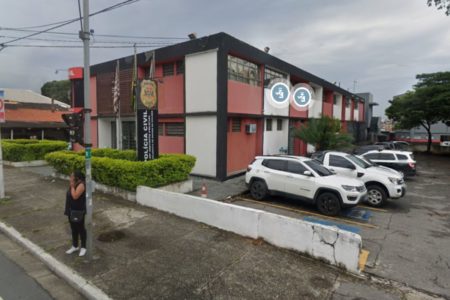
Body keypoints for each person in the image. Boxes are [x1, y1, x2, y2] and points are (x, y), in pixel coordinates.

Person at [64, 170, 87, 257]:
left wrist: (72, 186)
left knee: (81, 229)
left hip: (78, 211)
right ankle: (75, 246)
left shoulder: (81, 185)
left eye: (72, 176)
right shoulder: (73, 184)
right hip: (71, 210)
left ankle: (83, 247)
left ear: (77, 177)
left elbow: (75, 196)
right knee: (73, 229)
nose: (70, 177)